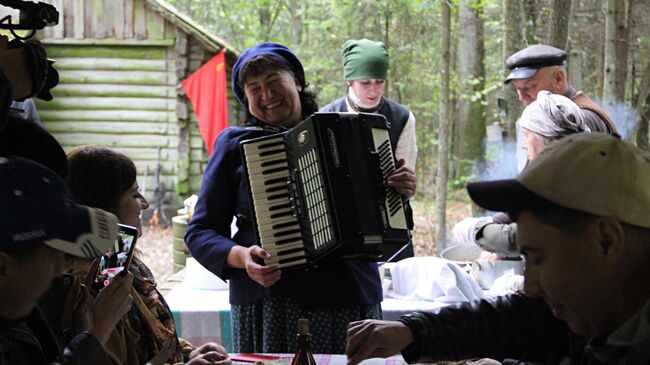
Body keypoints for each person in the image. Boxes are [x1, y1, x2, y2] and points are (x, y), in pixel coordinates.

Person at [346, 133, 650, 364]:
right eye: (526, 258)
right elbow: (518, 320)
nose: (530, 285)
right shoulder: (598, 313)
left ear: (607, 240)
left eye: (539, 259)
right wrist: (412, 332)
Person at [185, 42, 383, 354]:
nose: (266, 94)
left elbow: (380, 213)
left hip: (349, 293)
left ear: (298, 82)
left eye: (274, 80)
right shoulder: (234, 145)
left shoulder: (346, 130)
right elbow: (200, 232)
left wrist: (398, 190)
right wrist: (241, 257)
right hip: (272, 302)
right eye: (254, 87)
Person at [62, 146, 231, 365]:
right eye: (134, 194)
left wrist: (187, 353)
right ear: (104, 206)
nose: (145, 203)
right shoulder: (92, 279)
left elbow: (143, 335)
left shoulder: (117, 256)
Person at [0, 155, 134, 365]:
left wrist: (81, 331)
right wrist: (98, 333)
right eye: (55, 256)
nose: (59, 271)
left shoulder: (14, 314)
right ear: (3, 267)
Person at [452, 90, 592, 257]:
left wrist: (475, 231)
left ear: (548, 141)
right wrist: (493, 221)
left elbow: (522, 236)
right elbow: (525, 208)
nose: (523, 145)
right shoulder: (565, 172)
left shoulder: (571, 182)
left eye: (527, 136)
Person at [319, 38, 417, 260]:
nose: (374, 90)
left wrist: (407, 185)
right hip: (338, 228)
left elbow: (405, 182)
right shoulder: (324, 117)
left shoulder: (402, 117)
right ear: (349, 80)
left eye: (379, 81)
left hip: (389, 224)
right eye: (365, 83)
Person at [504, 43, 616, 134]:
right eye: (518, 89)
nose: (521, 97)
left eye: (529, 87)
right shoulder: (555, 118)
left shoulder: (577, 120)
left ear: (558, 79)